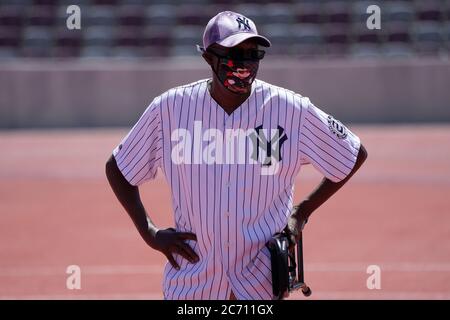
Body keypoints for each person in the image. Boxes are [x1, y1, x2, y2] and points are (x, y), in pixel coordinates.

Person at [105, 11, 368, 300]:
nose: (244, 64)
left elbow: (352, 153)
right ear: (209, 58)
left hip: (260, 281)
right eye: (234, 53)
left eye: (252, 54)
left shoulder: (291, 109)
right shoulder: (169, 110)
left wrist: (301, 212)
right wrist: (151, 233)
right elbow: (119, 168)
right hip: (193, 284)